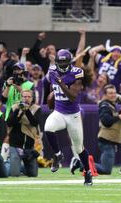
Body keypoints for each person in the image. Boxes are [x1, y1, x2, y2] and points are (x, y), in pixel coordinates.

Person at [44, 49, 93, 186]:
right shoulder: (52, 69)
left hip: (73, 115)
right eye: (60, 61)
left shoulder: (77, 73)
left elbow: (72, 97)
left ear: (69, 62)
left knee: (78, 148)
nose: (62, 64)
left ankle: (88, 173)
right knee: (48, 127)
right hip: (59, 111)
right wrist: (51, 98)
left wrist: (60, 82)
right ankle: (58, 154)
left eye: (64, 62)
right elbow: (52, 89)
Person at [95, 84, 121, 175]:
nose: (113, 95)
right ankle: (81, 163)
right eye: (110, 93)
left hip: (117, 138)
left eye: (114, 93)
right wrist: (119, 116)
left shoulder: (112, 104)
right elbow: (106, 122)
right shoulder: (104, 106)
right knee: (106, 170)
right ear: (105, 95)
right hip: (107, 141)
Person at [6, 89, 41, 177]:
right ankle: (7, 165)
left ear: (32, 98)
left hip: (29, 146)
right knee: (14, 174)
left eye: (29, 97)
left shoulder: (36, 108)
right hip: (15, 144)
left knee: (33, 174)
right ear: (21, 98)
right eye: (24, 96)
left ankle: (20, 167)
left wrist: (27, 111)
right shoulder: (14, 107)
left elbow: (35, 123)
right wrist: (18, 110)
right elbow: (9, 122)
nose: (26, 99)